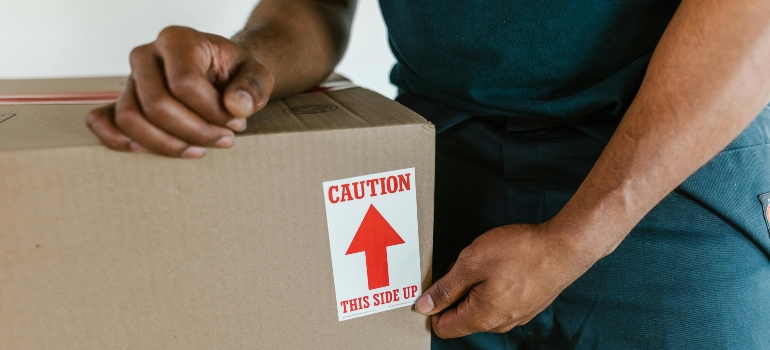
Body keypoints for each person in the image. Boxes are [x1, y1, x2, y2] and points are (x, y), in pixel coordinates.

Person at [86, 0, 770, 348]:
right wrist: (250, 57)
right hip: (441, 176)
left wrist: (578, 235)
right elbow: (312, 7)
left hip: (664, 184)